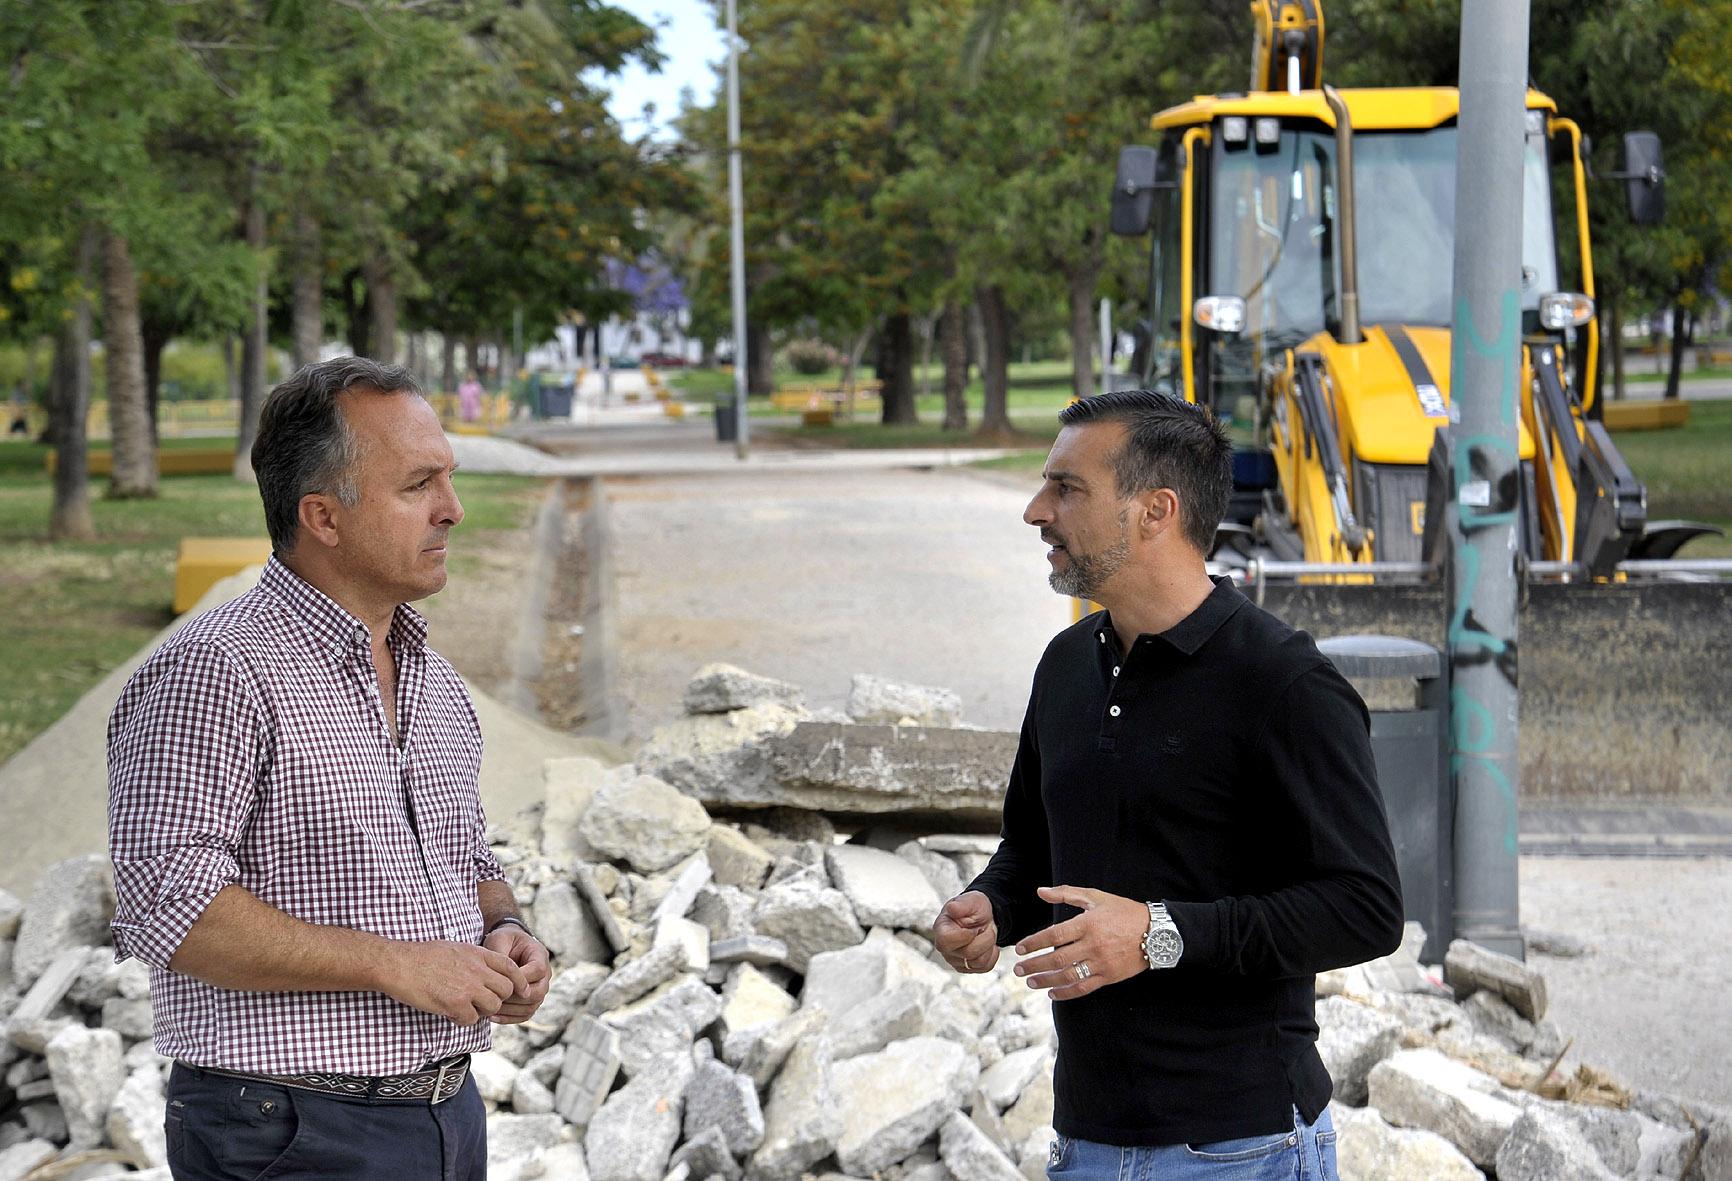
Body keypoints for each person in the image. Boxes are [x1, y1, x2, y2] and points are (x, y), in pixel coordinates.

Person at [932, 390, 1402, 1180]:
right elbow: (1036, 848)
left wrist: (1159, 934)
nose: (1035, 510)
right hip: (1085, 1137)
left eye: (1067, 488)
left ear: (1156, 510)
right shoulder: (1064, 665)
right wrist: (991, 907)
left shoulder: (1284, 684)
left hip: (1242, 1146)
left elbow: (1366, 908)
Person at [107, 356, 550, 1180]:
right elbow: (167, 905)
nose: (452, 510)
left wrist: (508, 931)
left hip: (448, 1114)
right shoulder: (216, 670)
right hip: (287, 1132)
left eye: (447, 479)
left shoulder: (434, 680)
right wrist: (399, 962)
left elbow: (467, 861)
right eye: (418, 484)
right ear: (323, 516)